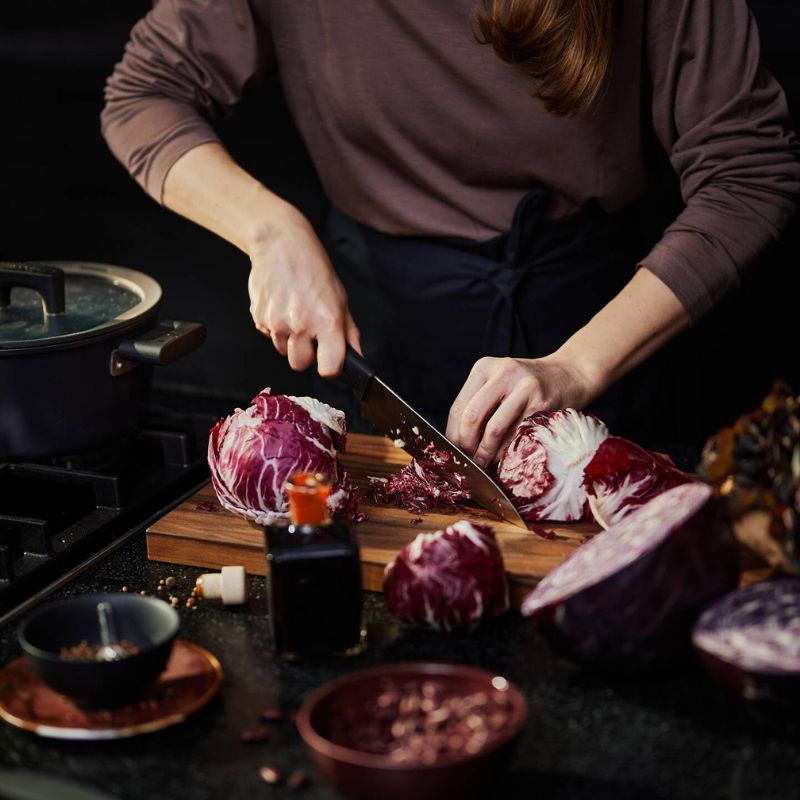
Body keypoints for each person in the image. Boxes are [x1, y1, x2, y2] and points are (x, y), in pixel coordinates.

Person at [101, 0, 799, 467]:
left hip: (603, 331)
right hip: (377, 332)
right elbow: (145, 93)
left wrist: (577, 367)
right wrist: (271, 230)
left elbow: (748, 171)